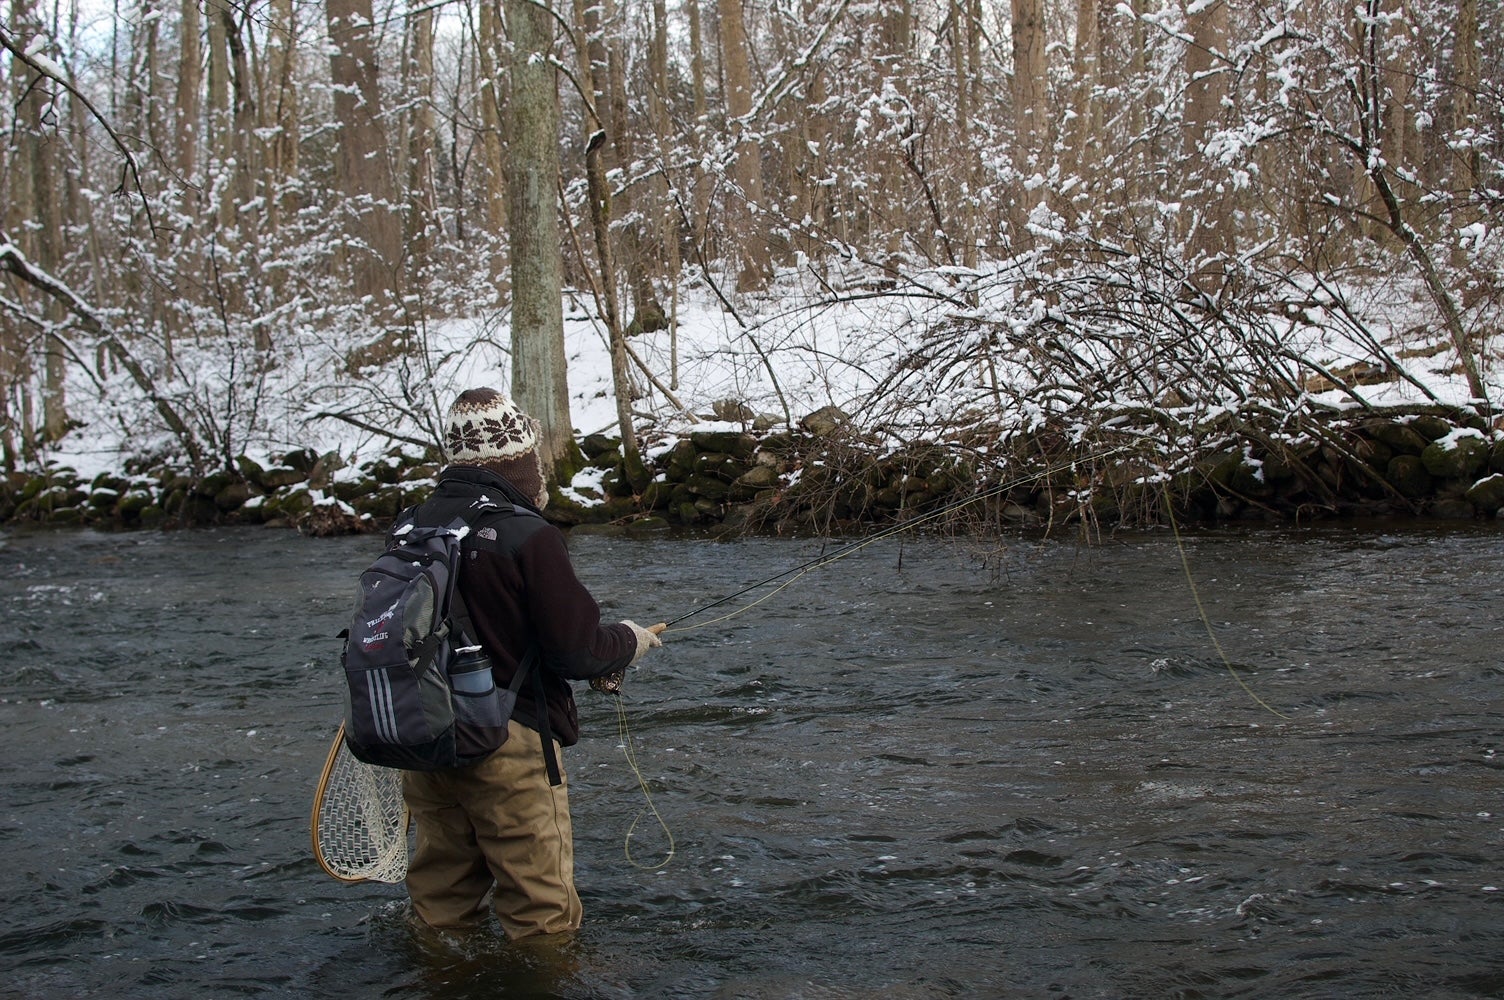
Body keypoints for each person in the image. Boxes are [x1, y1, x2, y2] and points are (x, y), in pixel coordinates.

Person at [397, 386, 663, 939]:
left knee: (440, 909)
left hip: (424, 738)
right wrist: (630, 641)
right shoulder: (528, 535)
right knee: (541, 918)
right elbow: (577, 649)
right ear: (520, 459)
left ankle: (440, 979)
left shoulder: (412, 526)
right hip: (506, 745)